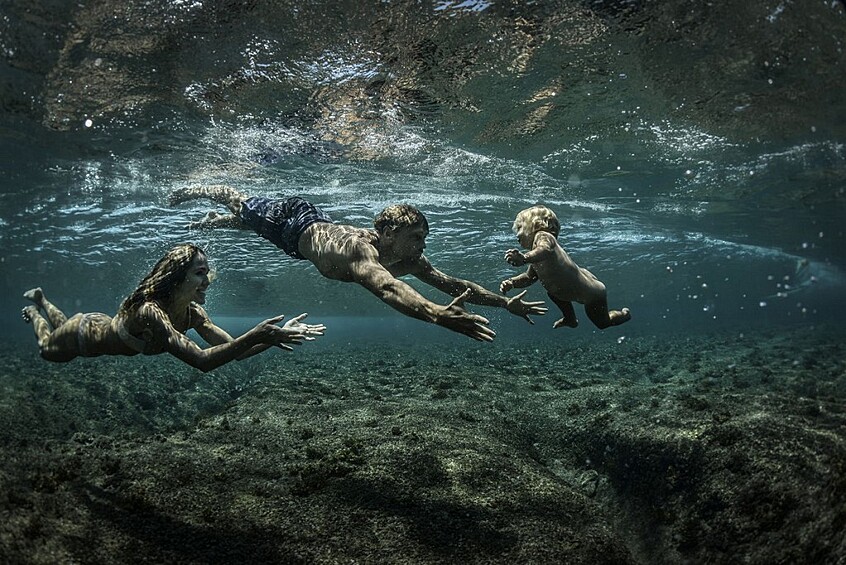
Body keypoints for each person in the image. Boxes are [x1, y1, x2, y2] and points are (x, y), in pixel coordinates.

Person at [168, 185, 547, 341]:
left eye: (424, 238)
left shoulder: (410, 260)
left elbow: (452, 284)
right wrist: (437, 315)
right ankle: (199, 189)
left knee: (250, 227)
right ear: (387, 233)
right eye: (415, 237)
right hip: (291, 221)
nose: (421, 246)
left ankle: (224, 223)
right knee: (240, 204)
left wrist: (504, 302)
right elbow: (385, 286)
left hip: (300, 242)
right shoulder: (361, 251)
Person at [21, 243, 325, 372]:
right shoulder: (151, 311)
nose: (208, 281)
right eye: (199, 273)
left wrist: (273, 336)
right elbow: (202, 361)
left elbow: (236, 351)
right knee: (47, 348)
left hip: (96, 323)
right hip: (83, 334)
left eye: (207, 272)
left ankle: (42, 299)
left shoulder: (193, 314)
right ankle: (37, 309)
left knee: (58, 330)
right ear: (176, 279)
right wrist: (258, 333)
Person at [500, 205, 631, 330]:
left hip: (593, 294)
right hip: (569, 290)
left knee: (603, 323)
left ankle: (624, 315)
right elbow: (529, 278)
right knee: (553, 293)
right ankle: (570, 319)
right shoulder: (536, 257)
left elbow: (544, 249)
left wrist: (524, 258)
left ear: (536, 224)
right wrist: (512, 283)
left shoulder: (544, 236)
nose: (516, 234)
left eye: (519, 228)